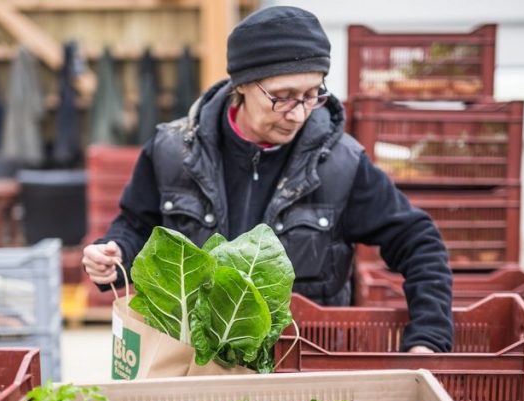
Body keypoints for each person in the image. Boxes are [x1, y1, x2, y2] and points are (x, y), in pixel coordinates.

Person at [83, 6, 453, 353]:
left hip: (301, 362)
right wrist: (113, 254)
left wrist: (429, 337)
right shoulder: (171, 152)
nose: (298, 114)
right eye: (283, 97)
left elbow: (418, 240)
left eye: (312, 95)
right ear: (241, 84)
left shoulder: (342, 165)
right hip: (190, 359)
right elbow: (136, 226)